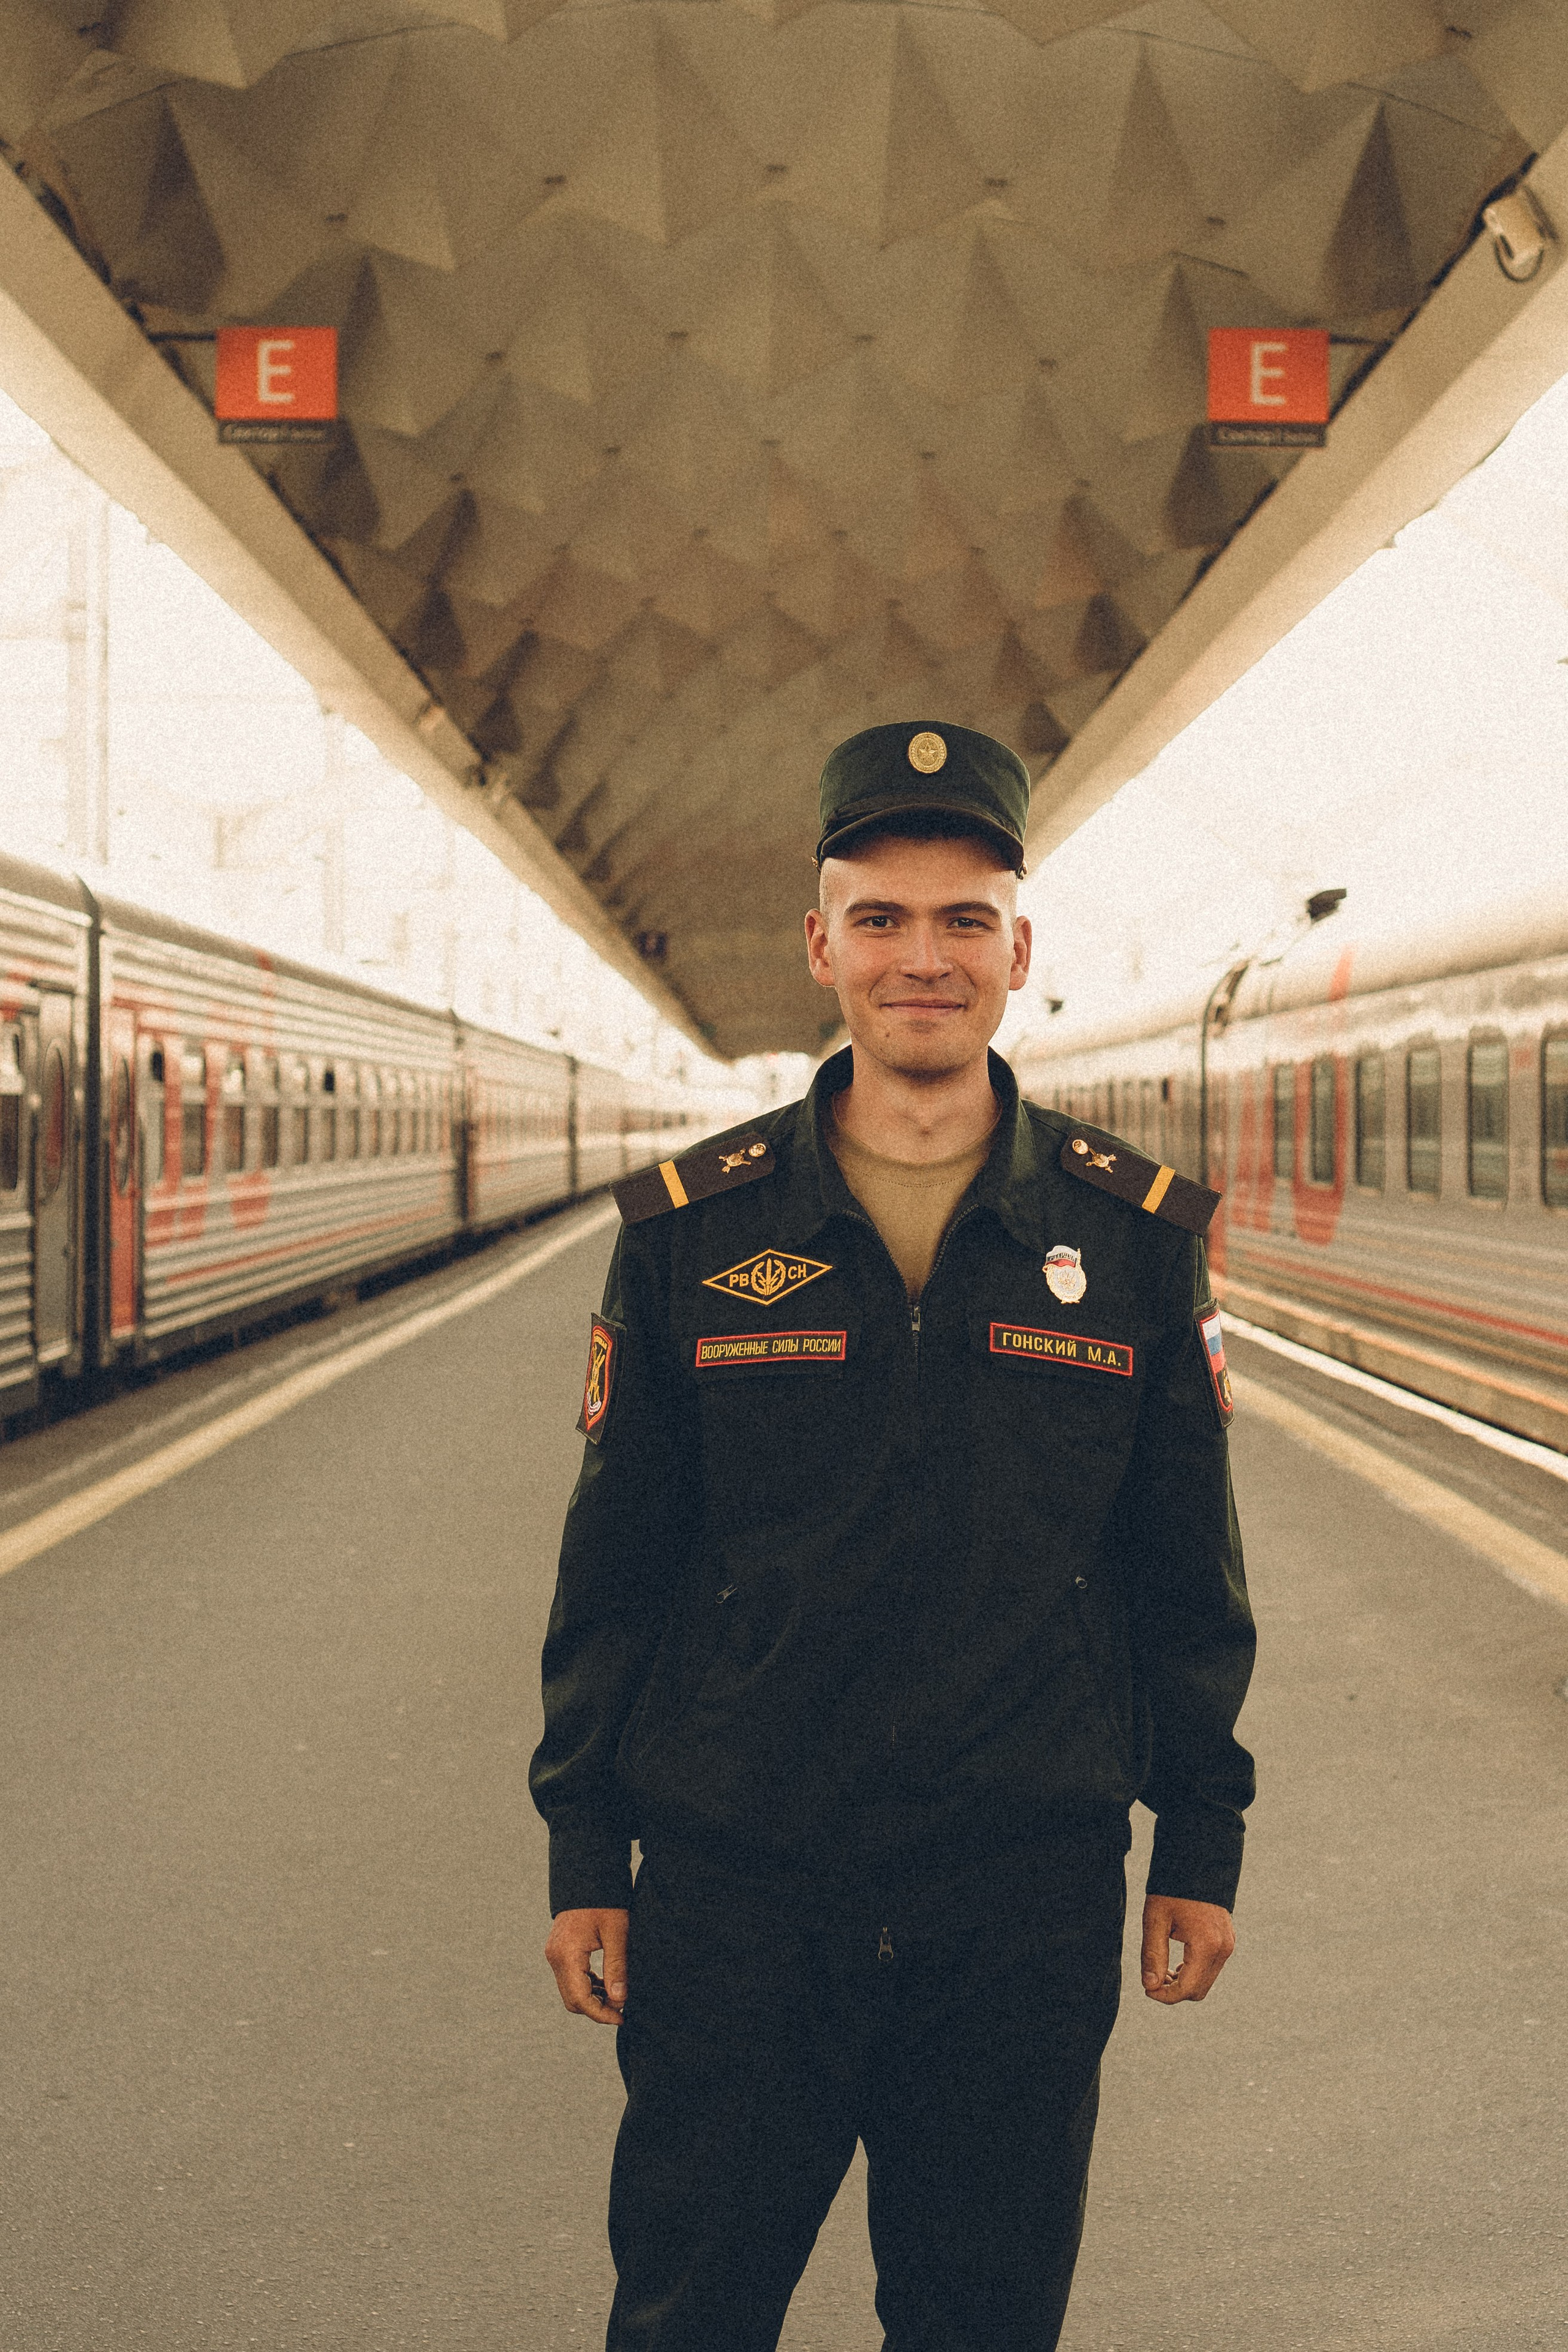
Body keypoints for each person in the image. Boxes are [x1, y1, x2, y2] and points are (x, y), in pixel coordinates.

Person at [530, 720, 1256, 2352]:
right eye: (881, 918)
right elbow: (618, 1567)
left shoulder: (1133, 1238)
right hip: (738, 1893)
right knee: (689, 2315)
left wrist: (1200, 1840)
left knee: (981, 2323)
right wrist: (585, 1848)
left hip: (1020, 1900)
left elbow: (1183, 1571)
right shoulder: (693, 1231)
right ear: (821, 946)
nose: (923, 957)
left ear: (1019, 954)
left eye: (962, 921)